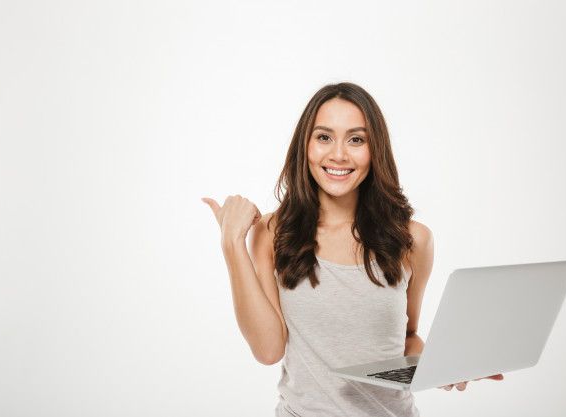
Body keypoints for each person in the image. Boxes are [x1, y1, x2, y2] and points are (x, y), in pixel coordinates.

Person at [202, 82, 503, 416]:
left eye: (356, 139)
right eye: (324, 137)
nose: (339, 154)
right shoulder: (273, 233)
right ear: (305, 146)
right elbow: (268, 349)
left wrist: (441, 367)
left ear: (375, 150)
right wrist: (232, 244)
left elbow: (406, 337)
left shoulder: (413, 240)